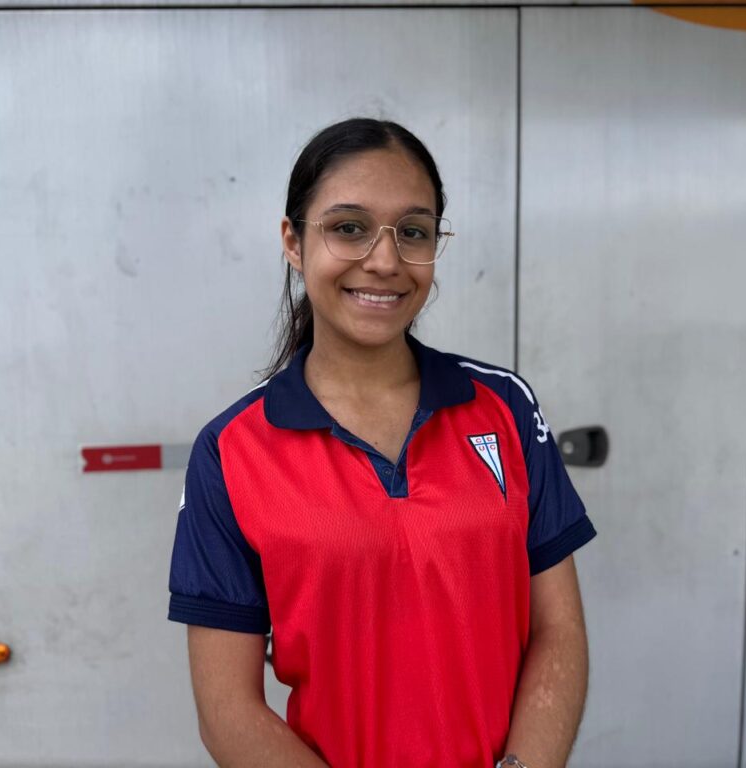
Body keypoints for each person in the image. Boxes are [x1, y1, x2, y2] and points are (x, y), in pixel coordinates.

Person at [167, 117, 597, 768]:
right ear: (293, 242)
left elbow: (558, 631)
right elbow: (228, 712)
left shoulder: (505, 407)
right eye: (349, 227)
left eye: (413, 232)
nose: (386, 261)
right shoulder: (230, 451)